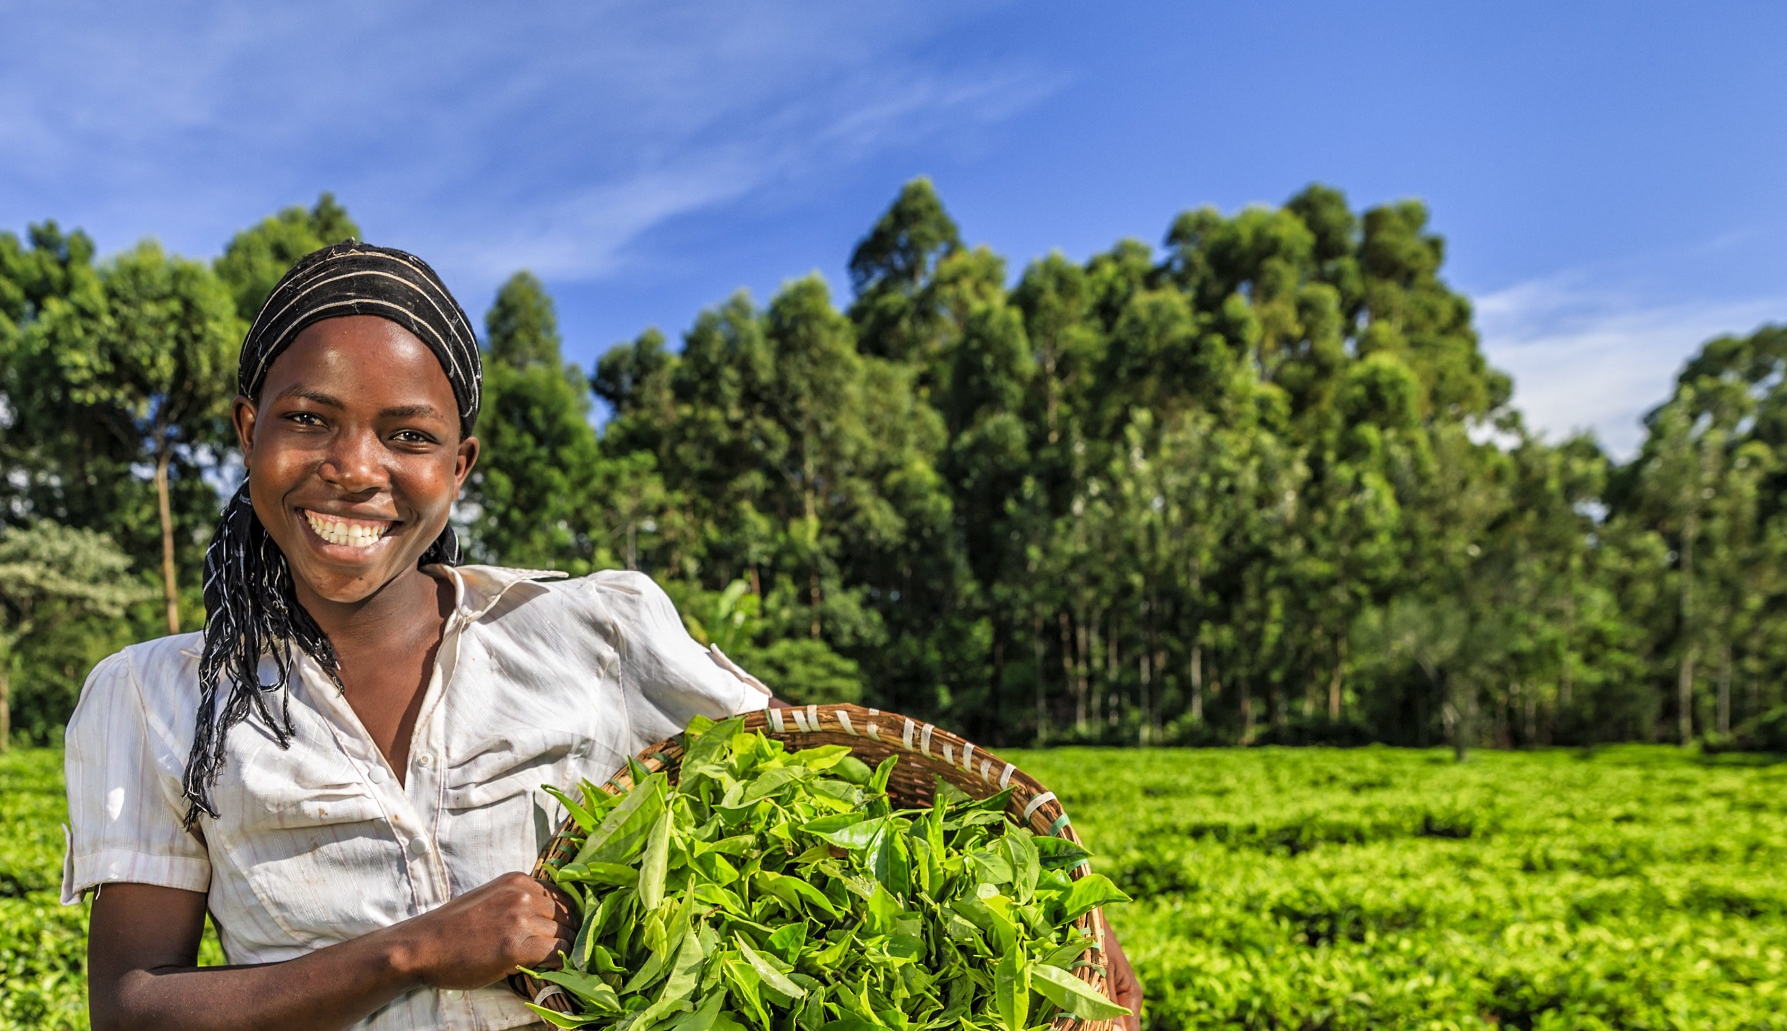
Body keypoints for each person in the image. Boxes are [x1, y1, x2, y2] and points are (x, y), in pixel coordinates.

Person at [63, 241, 1141, 1031]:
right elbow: (134, 1010)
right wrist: (417, 951)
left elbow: (827, 802)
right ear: (248, 430)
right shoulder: (158, 696)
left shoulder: (594, 630)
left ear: (460, 466)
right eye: (308, 419)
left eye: (409, 437)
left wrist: (1053, 936)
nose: (354, 468)